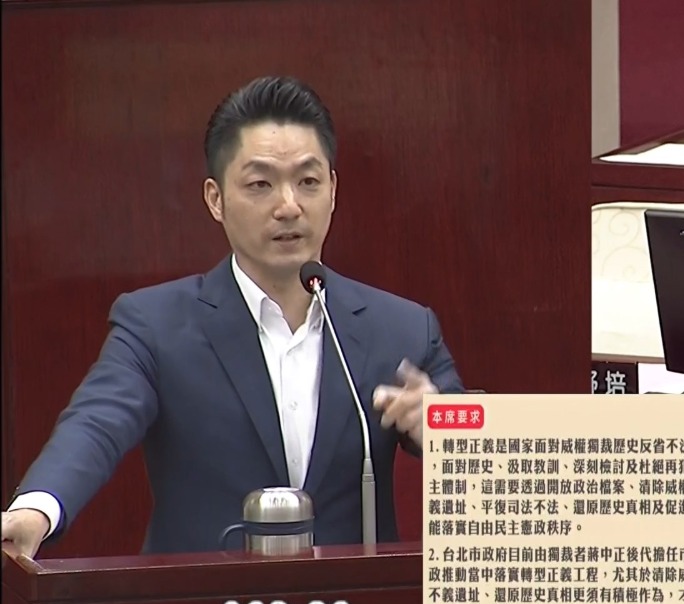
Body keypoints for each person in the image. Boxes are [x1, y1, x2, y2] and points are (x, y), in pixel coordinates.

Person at [1, 76, 463, 558]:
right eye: (261, 184)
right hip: (208, 597)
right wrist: (36, 509)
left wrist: (443, 427)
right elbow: (97, 423)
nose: (289, 206)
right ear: (215, 199)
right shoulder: (156, 326)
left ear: (333, 190)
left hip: (353, 598)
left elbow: (482, 459)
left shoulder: (402, 329)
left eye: (308, 182)